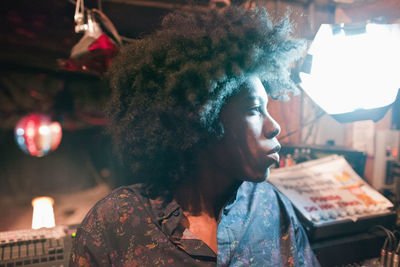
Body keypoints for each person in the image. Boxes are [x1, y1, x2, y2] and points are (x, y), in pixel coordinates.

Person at [70, 5, 320, 267]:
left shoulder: (271, 207)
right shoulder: (114, 221)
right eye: (254, 110)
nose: (274, 126)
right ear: (201, 117)